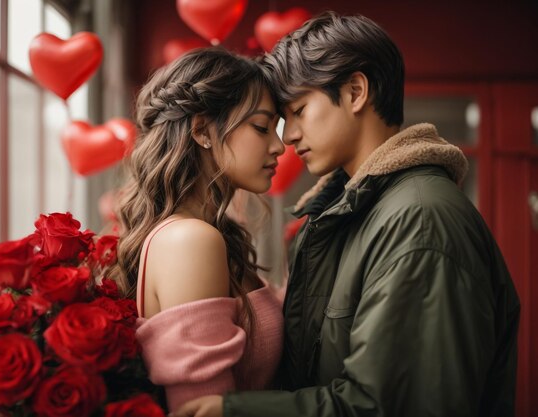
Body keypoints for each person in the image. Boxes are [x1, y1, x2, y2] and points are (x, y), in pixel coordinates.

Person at [171, 11, 520, 417]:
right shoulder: (345, 215)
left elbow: (396, 406)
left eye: (299, 110)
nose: (290, 137)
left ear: (355, 92)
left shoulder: (420, 220)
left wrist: (234, 411)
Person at [112, 47, 285, 412]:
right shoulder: (189, 241)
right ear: (203, 130)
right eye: (261, 127)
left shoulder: (206, 233)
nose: (279, 146)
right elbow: (202, 409)